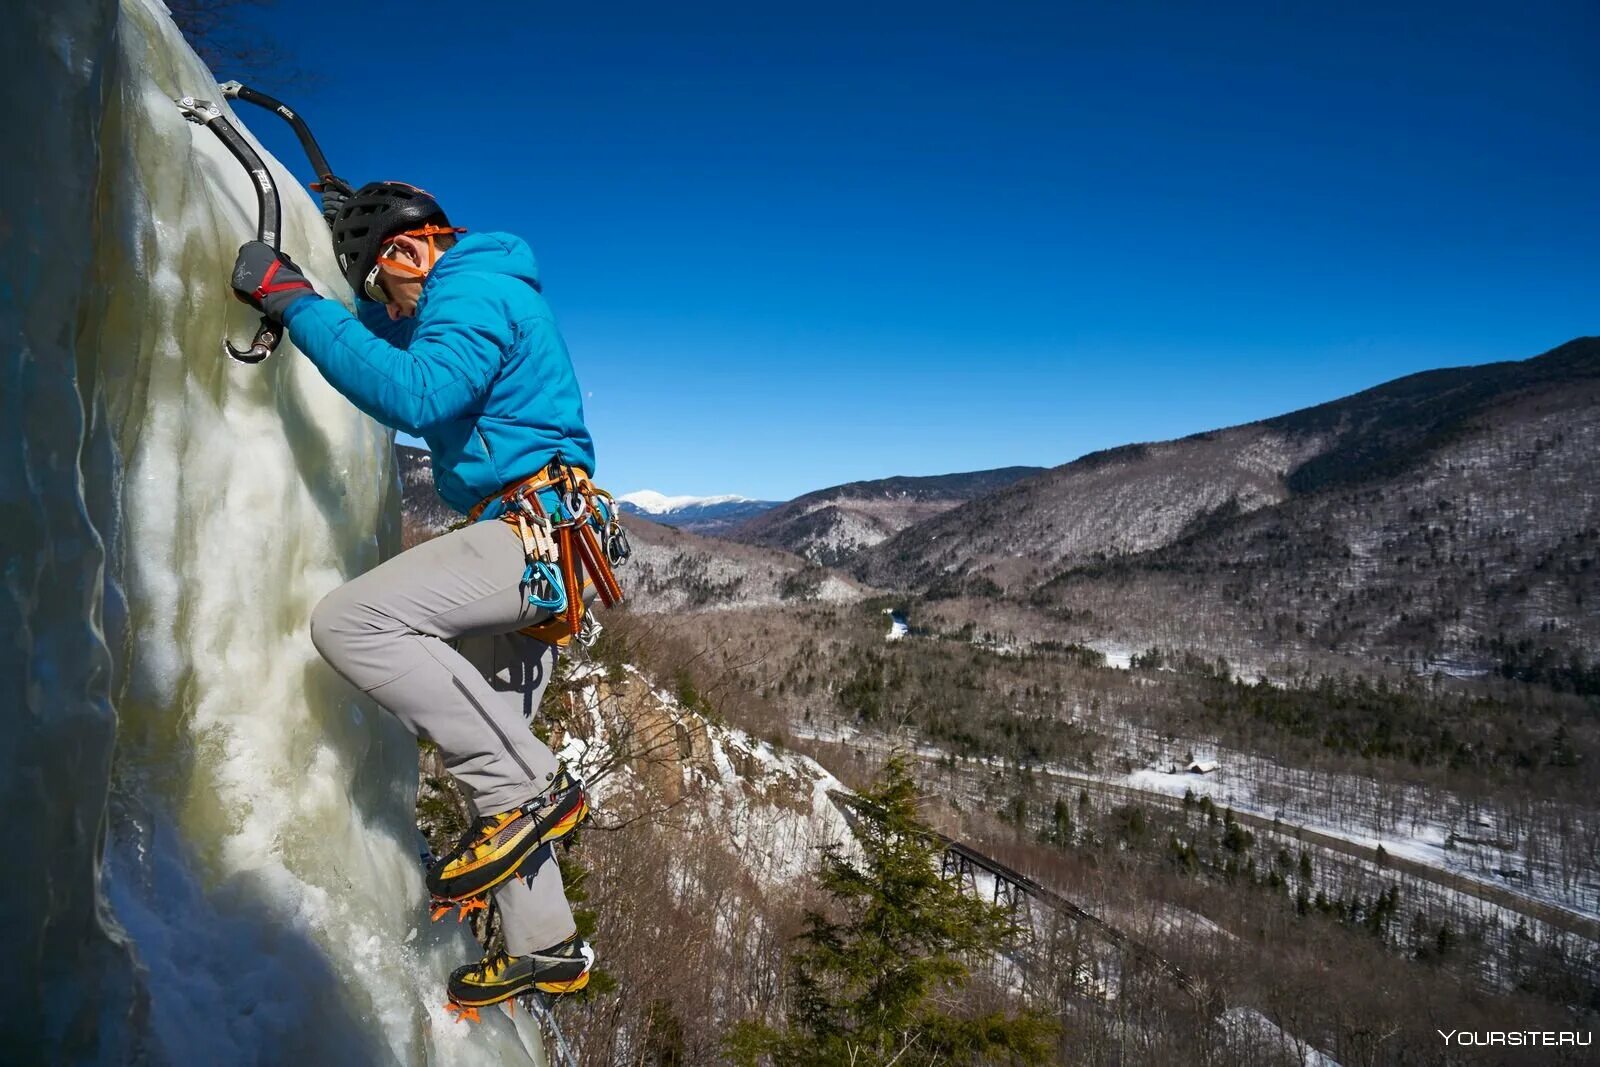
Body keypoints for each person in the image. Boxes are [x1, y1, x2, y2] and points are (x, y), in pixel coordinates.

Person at [230, 181, 599, 1008]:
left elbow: (417, 391)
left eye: (382, 288)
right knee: (491, 752)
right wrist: (327, 299)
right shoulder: (483, 290)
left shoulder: (470, 287)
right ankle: (546, 944)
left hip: (524, 530)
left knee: (354, 621)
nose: (388, 311)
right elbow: (380, 346)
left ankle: (533, 789)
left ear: (403, 253)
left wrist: (290, 300)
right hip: (545, 543)